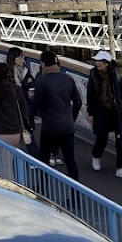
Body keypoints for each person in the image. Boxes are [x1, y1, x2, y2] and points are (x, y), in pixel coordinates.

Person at [30, 49, 81, 180]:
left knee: (44, 159)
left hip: (50, 126)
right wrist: (71, 117)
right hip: (67, 126)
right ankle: (75, 193)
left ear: (42, 64)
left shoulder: (42, 81)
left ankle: (43, 188)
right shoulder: (68, 79)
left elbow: (37, 105)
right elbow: (78, 102)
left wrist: (32, 99)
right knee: (70, 160)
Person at [87, 49, 122, 180]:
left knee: (121, 140)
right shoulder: (93, 76)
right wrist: (90, 113)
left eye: (99, 62)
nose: (97, 64)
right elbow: (90, 96)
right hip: (101, 112)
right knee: (101, 137)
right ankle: (96, 155)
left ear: (106, 63)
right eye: (96, 61)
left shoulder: (116, 75)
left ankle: (121, 168)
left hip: (116, 111)